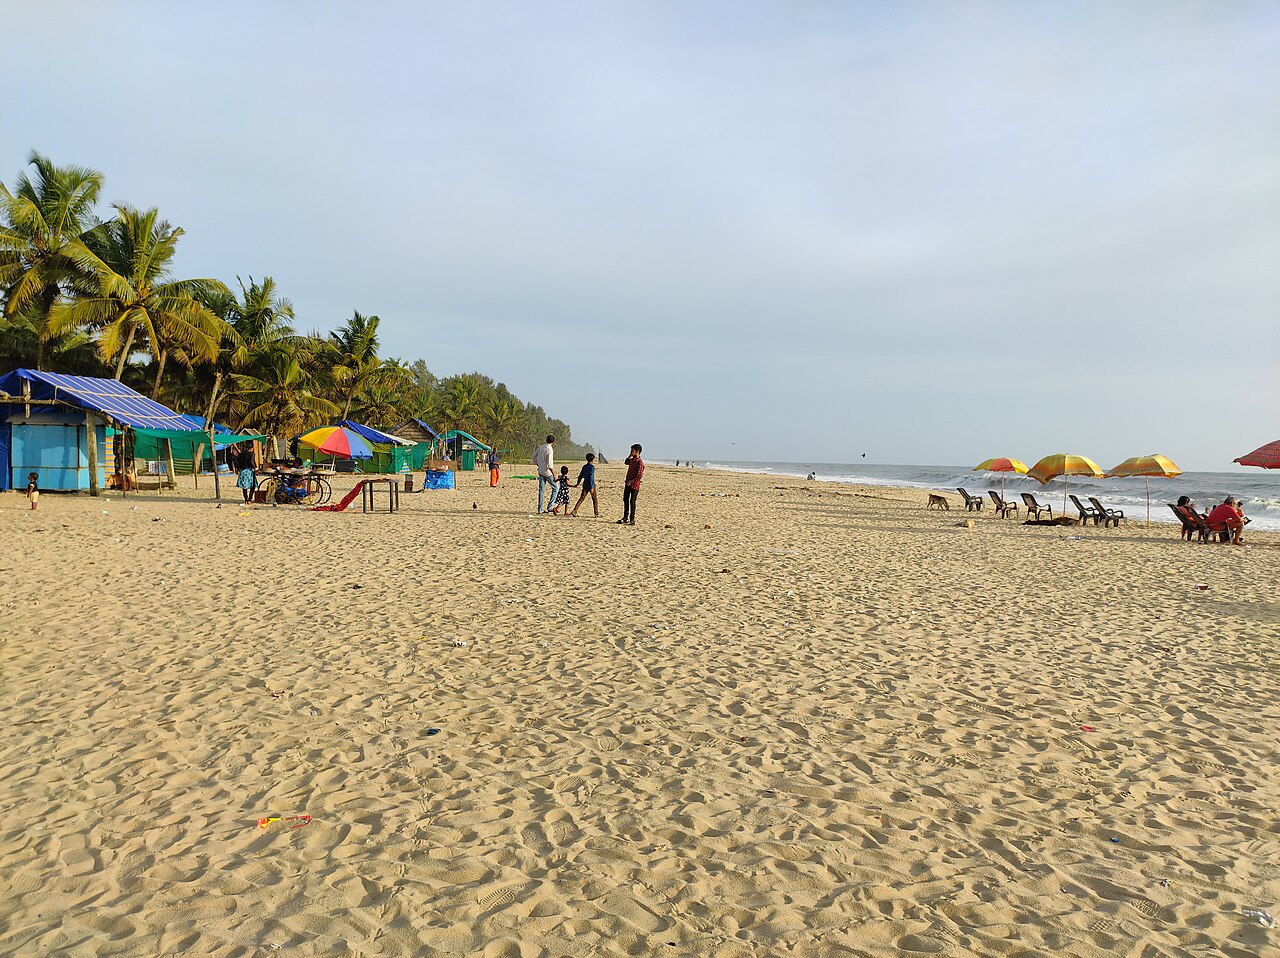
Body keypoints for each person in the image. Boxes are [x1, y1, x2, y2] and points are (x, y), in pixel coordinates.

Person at [617, 443, 644, 525]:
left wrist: (631, 481)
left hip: (634, 485)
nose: (631, 452)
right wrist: (630, 454)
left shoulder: (640, 463)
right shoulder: (632, 460)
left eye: (632, 450)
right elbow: (626, 462)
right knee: (625, 500)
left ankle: (632, 519)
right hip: (627, 483)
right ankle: (625, 517)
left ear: (637, 451)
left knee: (632, 501)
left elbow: (639, 476)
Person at [533, 434, 557, 513]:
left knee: (541, 490)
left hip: (540, 470)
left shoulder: (541, 447)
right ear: (553, 442)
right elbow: (550, 464)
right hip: (547, 472)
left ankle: (540, 509)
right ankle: (550, 506)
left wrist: (538, 464)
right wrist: (554, 475)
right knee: (555, 488)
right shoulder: (549, 449)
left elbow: (534, 457)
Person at [571, 453, 598, 517]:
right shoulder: (592, 467)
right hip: (591, 484)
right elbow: (591, 477)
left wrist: (578, 483)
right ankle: (596, 513)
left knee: (582, 498)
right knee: (594, 499)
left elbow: (580, 476)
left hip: (585, 484)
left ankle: (575, 510)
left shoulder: (584, 466)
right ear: (592, 459)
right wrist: (591, 487)